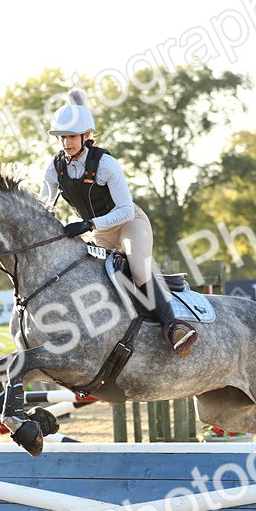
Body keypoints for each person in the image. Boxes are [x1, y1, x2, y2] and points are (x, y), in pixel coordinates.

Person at [39, 89, 197, 357]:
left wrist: (89, 224)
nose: (66, 142)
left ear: (86, 136)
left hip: (128, 224)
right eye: (62, 137)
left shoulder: (106, 164)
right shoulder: (54, 168)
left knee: (137, 268)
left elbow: (124, 210)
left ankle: (175, 326)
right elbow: (43, 205)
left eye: (72, 136)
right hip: (97, 234)